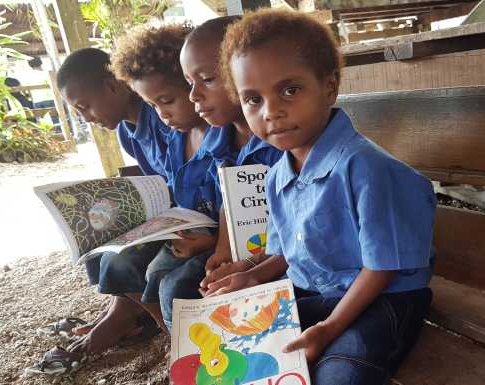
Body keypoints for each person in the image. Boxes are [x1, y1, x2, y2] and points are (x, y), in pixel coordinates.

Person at [204, 8, 438, 384]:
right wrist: (252, 276)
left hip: (383, 300)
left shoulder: (370, 170)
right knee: (233, 348)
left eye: (289, 90)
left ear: (329, 87)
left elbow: (382, 266)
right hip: (315, 292)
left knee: (339, 376)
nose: (271, 112)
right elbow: (284, 251)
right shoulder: (278, 175)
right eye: (253, 100)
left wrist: (329, 328)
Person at [107, 21, 240, 337]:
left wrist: (211, 241)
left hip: (221, 239)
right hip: (189, 230)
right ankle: (167, 331)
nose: (162, 115)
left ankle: (188, 339)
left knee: (168, 280)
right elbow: (171, 189)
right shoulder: (176, 139)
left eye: (167, 101)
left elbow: (241, 208)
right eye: (153, 106)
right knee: (119, 258)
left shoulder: (226, 140)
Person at [155, 16, 285, 333]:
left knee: (185, 287)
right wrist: (224, 249)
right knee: (173, 285)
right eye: (190, 84)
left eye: (207, 80)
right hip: (242, 252)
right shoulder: (218, 142)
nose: (194, 96)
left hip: (279, 255)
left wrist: (251, 264)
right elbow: (231, 196)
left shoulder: (282, 139)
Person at [55, 48, 174, 355]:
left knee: (119, 258)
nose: (86, 119)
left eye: (85, 107)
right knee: (97, 237)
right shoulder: (126, 131)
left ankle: (159, 325)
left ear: (113, 87)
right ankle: (121, 311)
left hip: (189, 214)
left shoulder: (165, 117)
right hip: (168, 211)